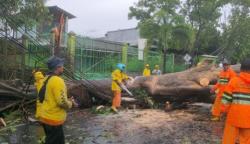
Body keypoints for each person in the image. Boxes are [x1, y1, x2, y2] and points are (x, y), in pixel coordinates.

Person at [38, 56, 78, 144]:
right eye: (62, 66)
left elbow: (50, 97)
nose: (63, 68)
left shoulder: (46, 78)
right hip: (53, 120)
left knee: (54, 140)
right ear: (58, 67)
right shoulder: (57, 80)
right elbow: (62, 102)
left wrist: (66, 99)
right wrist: (71, 103)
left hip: (45, 116)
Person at [221, 58, 250, 144]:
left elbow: (226, 99)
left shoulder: (234, 81)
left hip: (233, 118)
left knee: (228, 140)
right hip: (248, 120)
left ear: (241, 69)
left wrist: (223, 111)